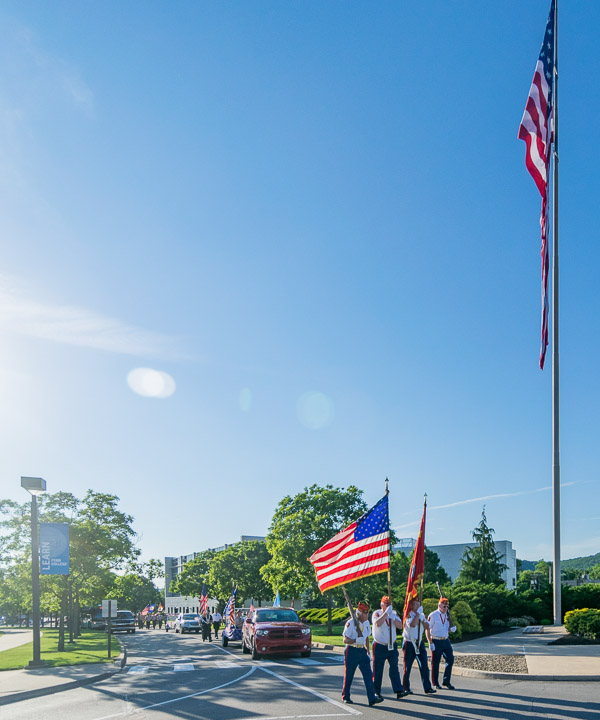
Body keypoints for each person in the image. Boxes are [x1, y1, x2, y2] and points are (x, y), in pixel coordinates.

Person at [341, 601, 384, 707]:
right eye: (365, 613)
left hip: (362, 651)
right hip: (352, 651)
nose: (367, 615)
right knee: (349, 675)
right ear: (360, 614)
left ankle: (372, 698)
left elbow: (367, 637)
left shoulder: (365, 624)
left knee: (368, 675)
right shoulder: (351, 623)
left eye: (368, 613)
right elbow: (345, 640)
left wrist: (368, 650)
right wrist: (356, 640)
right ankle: (346, 696)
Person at [371, 595, 405, 700]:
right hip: (380, 645)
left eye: (389, 604)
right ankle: (376, 692)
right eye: (386, 604)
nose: (388, 605)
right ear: (381, 605)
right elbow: (377, 623)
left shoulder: (393, 613)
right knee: (378, 670)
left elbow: (400, 626)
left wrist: (393, 617)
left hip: (392, 645)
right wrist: (386, 614)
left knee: (394, 668)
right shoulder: (377, 613)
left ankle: (399, 690)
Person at [402, 598, 436, 695]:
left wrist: (422, 618)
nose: (417, 606)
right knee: (407, 667)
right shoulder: (408, 614)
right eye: (415, 604)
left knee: (424, 666)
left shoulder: (421, 614)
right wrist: (417, 615)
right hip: (409, 643)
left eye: (418, 604)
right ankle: (405, 687)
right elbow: (412, 624)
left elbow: (427, 626)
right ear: (411, 605)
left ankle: (427, 687)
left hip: (419, 642)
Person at [426, 597, 456, 690]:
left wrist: (452, 627)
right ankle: (435, 683)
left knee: (450, 659)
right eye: (444, 606)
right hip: (436, 640)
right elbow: (427, 629)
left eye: (447, 606)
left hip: (446, 640)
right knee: (435, 662)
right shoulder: (433, 615)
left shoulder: (447, 615)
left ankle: (446, 681)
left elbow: (449, 628)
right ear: (439, 605)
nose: (446, 608)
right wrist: (430, 642)